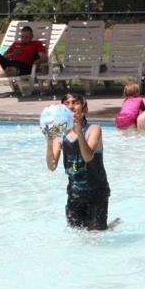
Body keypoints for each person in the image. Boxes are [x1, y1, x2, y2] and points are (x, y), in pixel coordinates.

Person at [45, 91, 111, 230]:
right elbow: (52, 166)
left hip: (96, 193)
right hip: (74, 195)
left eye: (75, 102)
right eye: (67, 104)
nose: (71, 106)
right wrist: (49, 140)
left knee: (96, 237)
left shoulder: (94, 129)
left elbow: (88, 157)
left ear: (85, 108)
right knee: (76, 236)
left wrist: (79, 131)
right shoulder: (59, 133)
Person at [0, 24, 46, 92]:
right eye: (22, 36)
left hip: (24, 66)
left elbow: (44, 58)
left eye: (26, 37)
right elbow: (5, 56)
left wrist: (37, 62)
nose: (23, 39)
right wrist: (13, 53)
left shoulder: (37, 44)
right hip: (10, 62)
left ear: (32, 36)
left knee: (11, 69)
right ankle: (0, 70)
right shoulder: (16, 44)